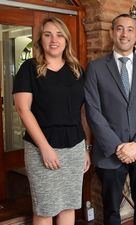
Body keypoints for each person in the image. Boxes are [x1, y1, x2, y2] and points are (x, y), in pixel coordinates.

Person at [84, 14, 136, 225]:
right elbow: (93, 111)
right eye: (119, 28)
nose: (124, 34)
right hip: (110, 152)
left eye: (129, 29)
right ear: (112, 33)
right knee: (111, 211)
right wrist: (118, 147)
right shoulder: (96, 68)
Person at [12, 17, 91, 225]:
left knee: (68, 205)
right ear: (40, 40)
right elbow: (22, 109)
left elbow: (81, 112)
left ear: (66, 40)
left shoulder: (76, 70)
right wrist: (45, 147)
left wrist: (85, 148)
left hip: (74, 147)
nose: (53, 39)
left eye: (59, 35)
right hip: (41, 148)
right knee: (45, 208)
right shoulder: (29, 68)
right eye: (48, 35)